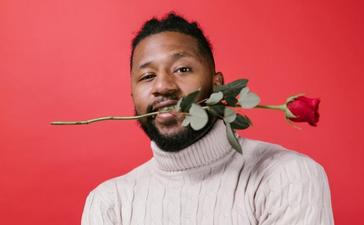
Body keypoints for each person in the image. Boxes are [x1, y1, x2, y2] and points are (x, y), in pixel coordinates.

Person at [81, 12, 334, 225]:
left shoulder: (285, 176)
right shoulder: (109, 203)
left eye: (182, 69)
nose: (163, 86)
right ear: (133, 95)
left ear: (217, 85)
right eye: (147, 76)